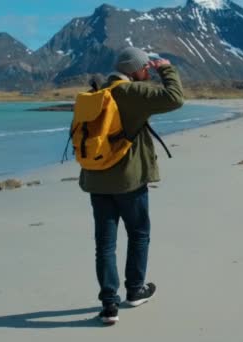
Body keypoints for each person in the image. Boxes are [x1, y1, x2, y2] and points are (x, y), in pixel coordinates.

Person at [79, 47, 184, 324]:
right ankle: (135, 290)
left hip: (96, 179)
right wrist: (166, 69)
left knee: (104, 245)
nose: (147, 71)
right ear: (133, 69)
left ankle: (109, 305)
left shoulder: (97, 92)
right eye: (145, 67)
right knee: (138, 234)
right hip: (128, 180)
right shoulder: (131, 93)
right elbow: (175, 98)